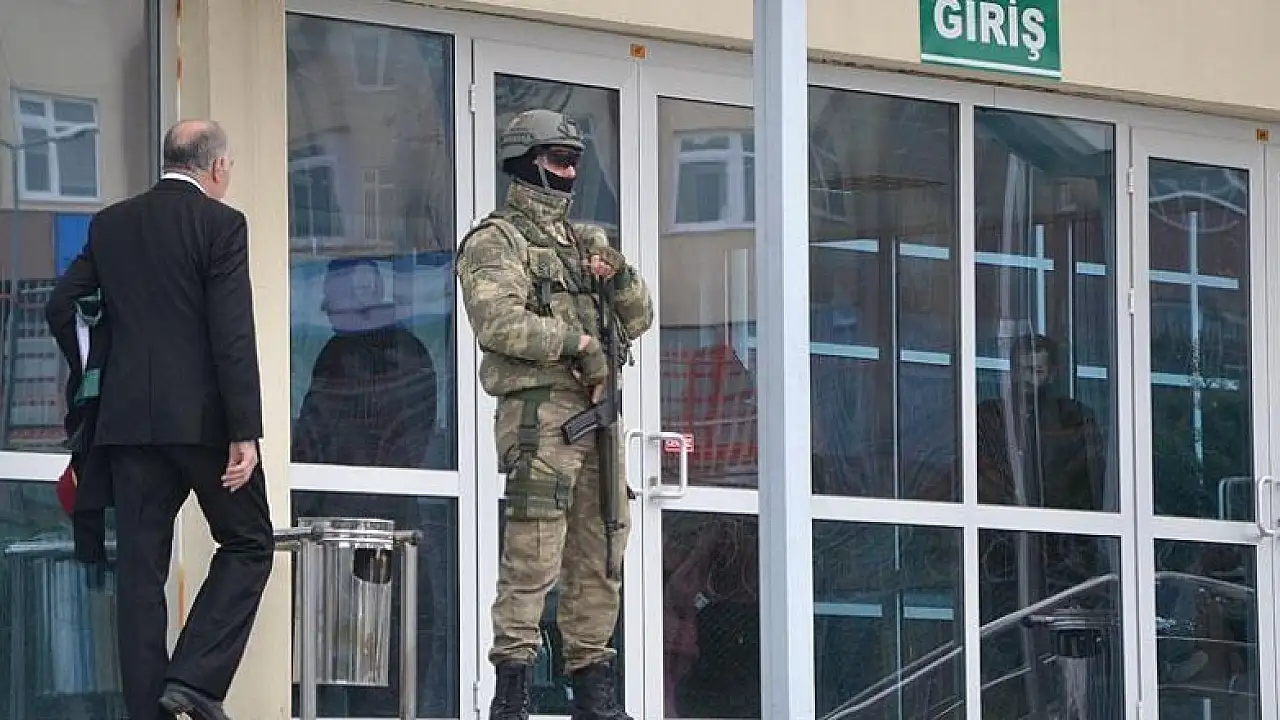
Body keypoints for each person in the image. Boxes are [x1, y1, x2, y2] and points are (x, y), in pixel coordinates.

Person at [44, 119, 272, 720]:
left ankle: (149, 712)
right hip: (204, 425)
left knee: (140, 573)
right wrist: (244, 431)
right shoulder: (221, 225)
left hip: (126, 426)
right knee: (250, 542)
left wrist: (95, 371)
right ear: (216, 167)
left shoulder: (111, 225)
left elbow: (62, 305)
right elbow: (232, 333)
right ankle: (193, 681)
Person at [456, 108, 654, 720]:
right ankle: (511, 693)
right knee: (533, 553)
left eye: (574, 162)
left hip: (599, 419)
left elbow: (641, 317)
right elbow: (499, 323)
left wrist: (618, 275)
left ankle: (592, 693)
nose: (569, 173)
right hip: (541, 414)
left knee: (602, 549)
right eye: (557, 160)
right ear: (525, 161)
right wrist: (581, 345)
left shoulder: (585, 242)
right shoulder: (495, 241)